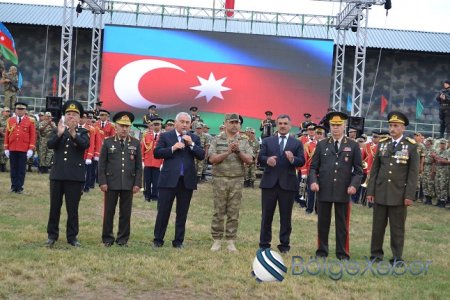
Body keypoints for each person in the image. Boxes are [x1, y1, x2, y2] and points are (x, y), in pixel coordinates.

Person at [366, 111, 420, 264]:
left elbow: (413, 173)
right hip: (381, 192)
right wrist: (371, 191)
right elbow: (375, 170)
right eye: (390, 125)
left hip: (399, 194)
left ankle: (397, 257)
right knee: (377, 227)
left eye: (396, 126)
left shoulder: (411, 146)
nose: (392, 128)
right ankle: (376, 255)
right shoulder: (383, 143)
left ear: (403, 128)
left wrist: (409, 195)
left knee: (397, 229)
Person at [309, 111, 363, 260]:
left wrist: (354, 185)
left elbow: (359, 171)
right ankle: (322, 251)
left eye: (338, 125)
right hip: (324, 189)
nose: (335, 128)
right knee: (323, 223)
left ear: (344, 126)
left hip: (343, 191)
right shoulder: (322, 144)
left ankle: (342, 253)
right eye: (333, 125)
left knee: (342, 225)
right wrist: (313, 181)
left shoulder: (352, 145)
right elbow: (313, 167)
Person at [152, 112, 205, 248]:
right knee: (163, 211)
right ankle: (158, 240)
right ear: (176, 123)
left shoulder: (193, 137)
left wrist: (191, 144)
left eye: (187, 123)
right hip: (168, 180)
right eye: (182, 122)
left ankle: (178, 241)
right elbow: (157, 153)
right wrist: (173, 148)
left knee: (182, 213)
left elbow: (201, 155)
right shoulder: (166, 136)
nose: (184, 125)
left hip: (186, 181)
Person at [45, 100, 90, 247]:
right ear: (64, 116)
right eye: (68, 114)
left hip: (74, 177)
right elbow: (50, 144)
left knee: (72, 209)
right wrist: (59, 134)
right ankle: (52, 235)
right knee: (54, 207)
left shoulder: (83, 132)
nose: (71, 117)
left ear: (79, 118)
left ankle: (72, 237)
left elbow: (84, 145)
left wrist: (73, 133)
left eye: (74, 114)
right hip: (58, 174)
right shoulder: (58, 129)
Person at [258, 114, 305, 253]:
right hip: (269, 183)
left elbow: (301, 161)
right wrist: (267, 160)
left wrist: (293, 159)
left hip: (288, 184)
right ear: (277, 125)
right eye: (280, 123)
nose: (283, 126)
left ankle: (284, 245)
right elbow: (260, 157)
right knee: (266, 216)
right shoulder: (268, 141)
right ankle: (264, 244)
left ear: (290, 126)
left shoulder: (296, 143)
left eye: (285, 123)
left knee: (286, 217)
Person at [208, 113, 253, 252]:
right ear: (226, 123)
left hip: (237, 180)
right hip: (220, 179)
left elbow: (250, 160)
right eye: (232, 122)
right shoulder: (216, 139)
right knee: (219, 210)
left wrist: (238, 151)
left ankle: (230, 241)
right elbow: (212, 159)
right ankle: (216, 240)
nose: (235, 125)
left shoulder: (244, 141)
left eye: (237, 122)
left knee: (234, 211)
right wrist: (227, 152)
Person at [98, 111, 142, 247]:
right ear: (115, 126)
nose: (124, 129)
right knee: (109, 212)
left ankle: (122, 239)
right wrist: (103, 182)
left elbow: (138, 166)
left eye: (127, 126)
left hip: (128, 183)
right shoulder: (108, 142)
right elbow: (102, 165)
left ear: (130, 128)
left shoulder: (135, 143)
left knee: (126, 213)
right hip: (111, 183)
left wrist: (137, 184)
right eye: (121, 125)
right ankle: (107, 238)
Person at [4, 102, 36, 193]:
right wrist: (6, 148)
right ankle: (13, 187)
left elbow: (33, 136)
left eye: (22, 109)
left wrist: (30, 148)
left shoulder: (30, 121)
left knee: (21, 169)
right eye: (18, 109)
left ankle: (20, 187)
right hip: (13, 148)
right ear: (15, 110)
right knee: (13, 168)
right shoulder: (10, 120)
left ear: (25, 111)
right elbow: (7, 134)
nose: (20, 111)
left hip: (23, 149)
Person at [141, 117, 163, 202]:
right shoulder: (146, 135)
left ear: (161, 126)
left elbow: (165, 150)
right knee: (147, 180)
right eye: (155, 125)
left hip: (158, 162)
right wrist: (142, 161)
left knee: (156, 181)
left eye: (158, 125)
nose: (156, 126)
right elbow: (143, 148)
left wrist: (162, 163)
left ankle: (155, 196)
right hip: (147, 161)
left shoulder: (164, 136)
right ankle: (147, 196)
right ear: (152, 126)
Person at [431, 138, 450, 208]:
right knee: (437, 185)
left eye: (444, 143)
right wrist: (433, 170)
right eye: (441, 143)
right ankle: (438, 200)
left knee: (443, 186)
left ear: (446, 144)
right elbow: (434, 161)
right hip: (438, 170)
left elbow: (448, 161)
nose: (442, 145)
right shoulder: (437, 151)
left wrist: (438, 158)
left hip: (444, 171)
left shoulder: (447, 152)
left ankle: (443, 201)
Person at [422, 137, 436, 205]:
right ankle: (426, 198)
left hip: (430, 167)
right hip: (425, 167)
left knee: (430, 183)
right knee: (424, 183)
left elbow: (434, 161)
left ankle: (429, 199)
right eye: (426, 141)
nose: (427, 143)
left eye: (428, 142)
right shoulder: (424, 149)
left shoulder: (433, 150)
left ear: (431, 143)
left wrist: (433, 171)